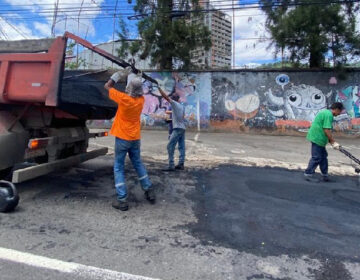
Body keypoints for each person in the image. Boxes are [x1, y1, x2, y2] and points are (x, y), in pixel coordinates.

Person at [104, 72, 155, 211]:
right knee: (138, 163)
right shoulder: (141, 100)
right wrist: (137, 76)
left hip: (122, 137)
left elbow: (107, 86)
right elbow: (137, 89)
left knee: (119, 167)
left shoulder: (124, 99)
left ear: (129, 88)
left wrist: (117, 75)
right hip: (135, 138)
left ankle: (122, 200)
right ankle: (148, 189)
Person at [304, 102, 344, 182]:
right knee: (317, 157)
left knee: (323, 157)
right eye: (340, 112)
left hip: (319, 138)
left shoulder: (326, 112)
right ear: (336, 109)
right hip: (317, 138)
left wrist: (331, 141)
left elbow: (325, 129)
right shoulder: (329, 115)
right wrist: (333, 142)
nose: (339, 114)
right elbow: (326, 130)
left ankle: (325, 174)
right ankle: (308, 174)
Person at [157, 87, 186, 171]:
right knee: (181, 146)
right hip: (182, 128)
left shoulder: (174, 104)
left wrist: (159, 88)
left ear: (173, 100)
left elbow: (165, 96)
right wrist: (170, 120)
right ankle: (181, 164)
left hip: (177, 129)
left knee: (170, 146)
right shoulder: (181, 106)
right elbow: (180, 117)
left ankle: (171, 165)